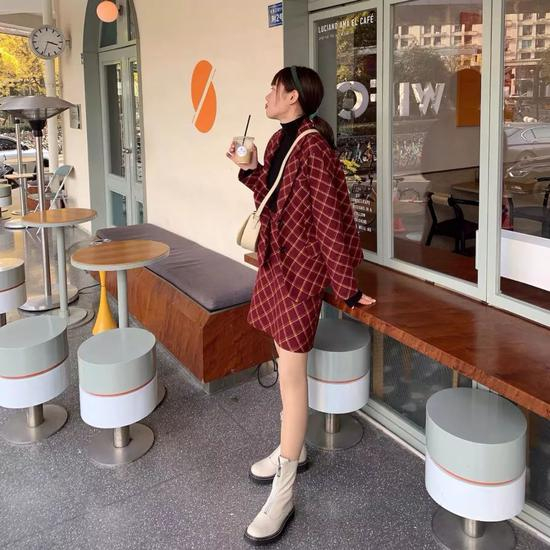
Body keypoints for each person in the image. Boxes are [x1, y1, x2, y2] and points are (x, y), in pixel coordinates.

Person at [227, 65, 376, 545]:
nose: (267, 95)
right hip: (276, 265)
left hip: (300, 276)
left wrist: (346, 287)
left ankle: (284, 491)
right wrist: (249, 167)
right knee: (286, 371)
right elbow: (270, 202)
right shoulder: (278, 141)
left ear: (293, 96)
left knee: (293, 382)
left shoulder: (314, 149)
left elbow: (330, 222)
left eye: (273, 89)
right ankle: (292, 449)